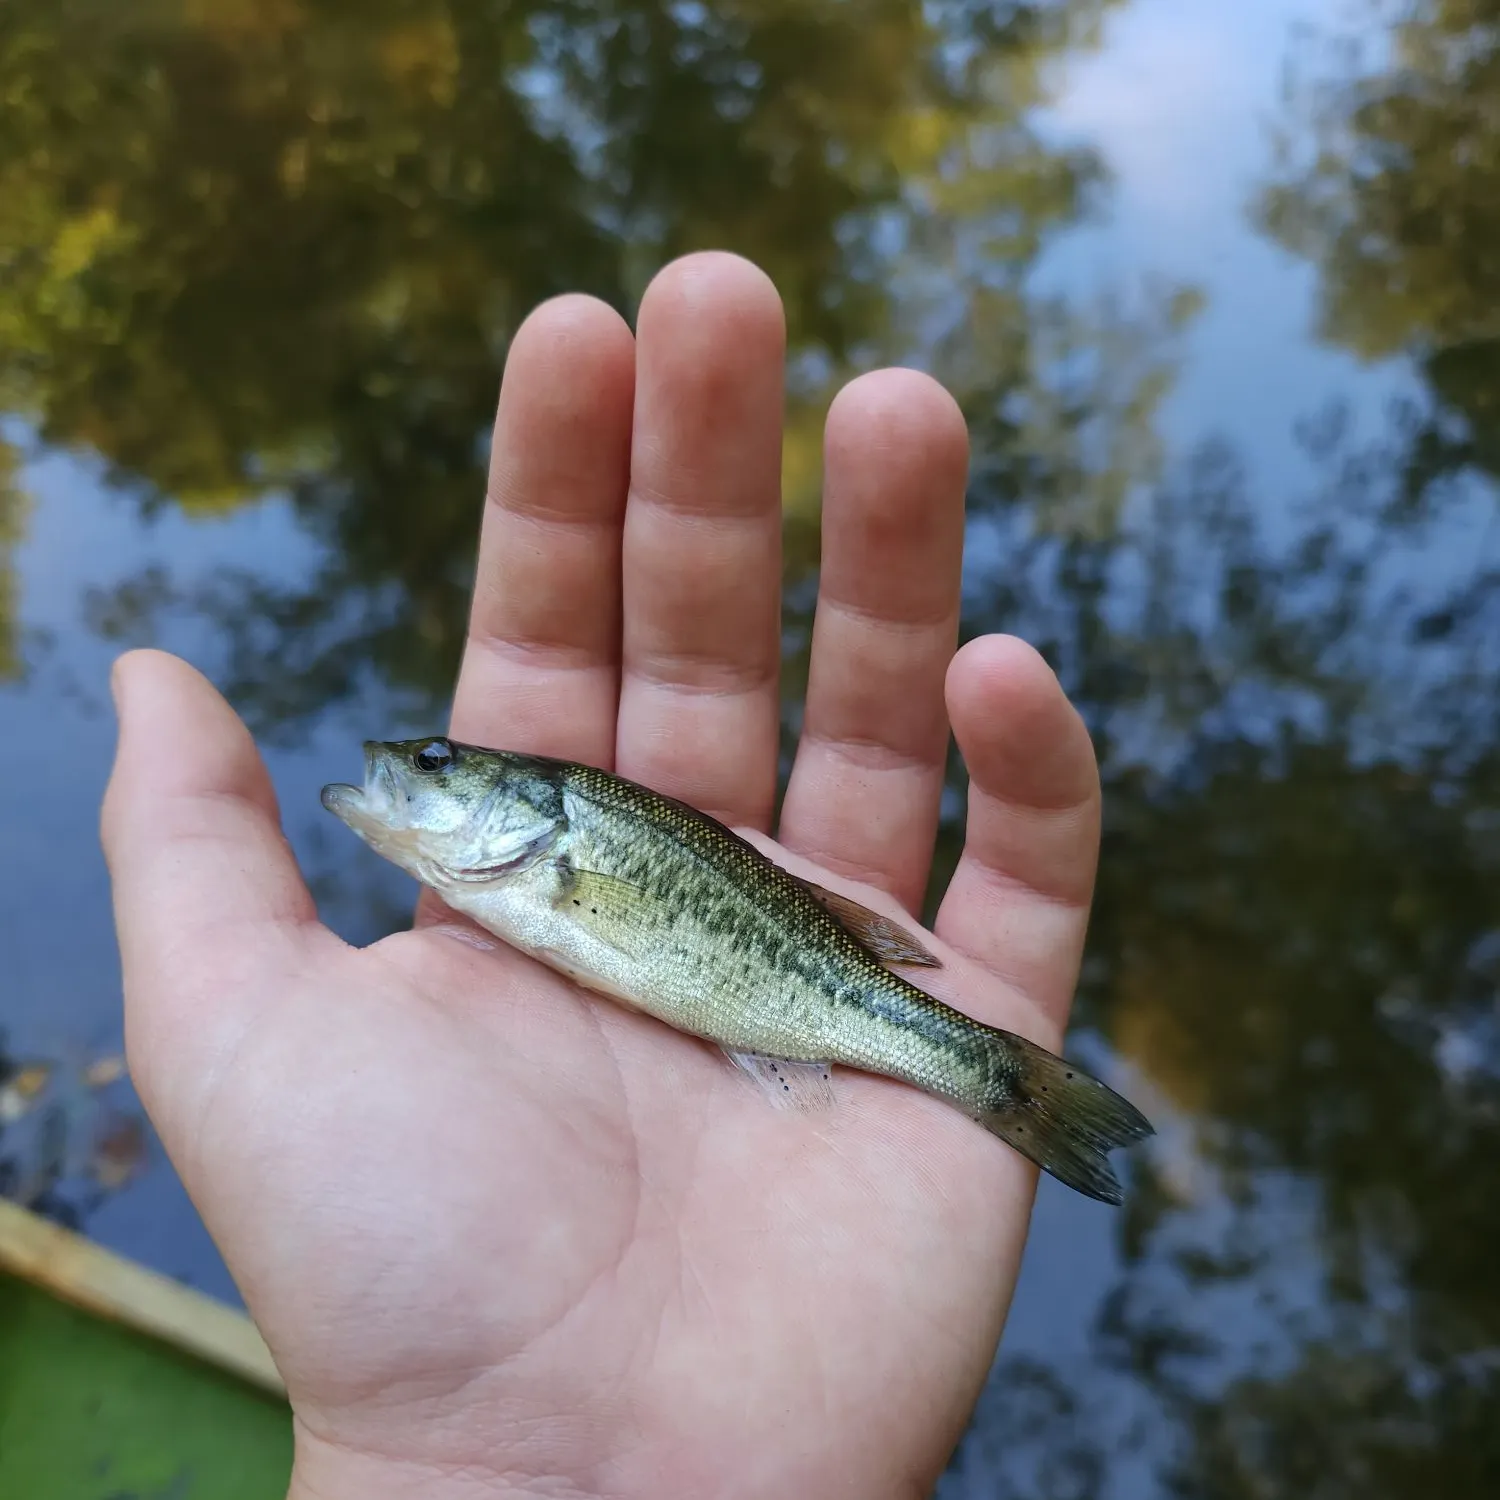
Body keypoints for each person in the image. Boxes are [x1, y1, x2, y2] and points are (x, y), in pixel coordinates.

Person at [101, 253, 1104, 1499]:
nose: (406, 771)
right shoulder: (527, 866)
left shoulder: (560, 844)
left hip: (822, 1003)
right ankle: (995, 1075)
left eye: (437, 763)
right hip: (779, 1004)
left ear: (517, 803)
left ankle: (994, 1077)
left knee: (924, 1028)